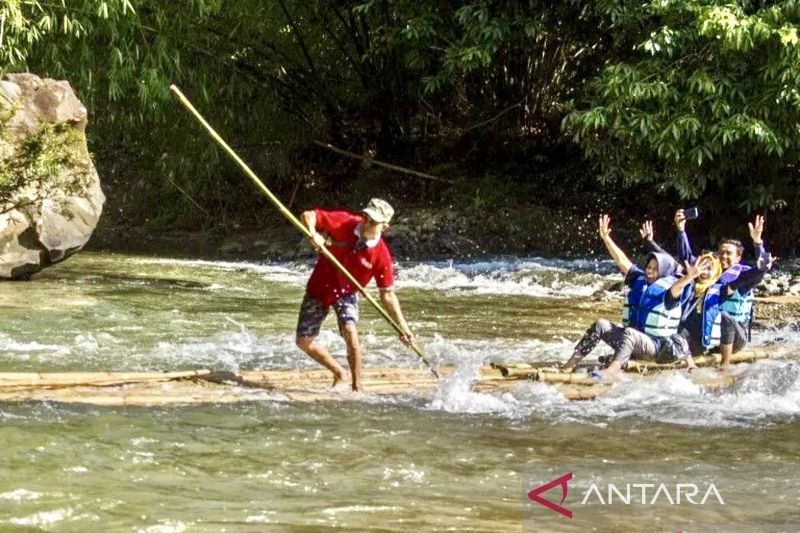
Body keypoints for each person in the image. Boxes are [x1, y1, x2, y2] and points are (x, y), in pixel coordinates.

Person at [296, 198, 413, 391]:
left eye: (373, 222)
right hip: (319, 287)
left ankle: (357, 388)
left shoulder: (381, 255)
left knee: (350, 331)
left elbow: (388, 295)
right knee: (303, 341)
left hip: (346, 292)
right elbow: (309, 215)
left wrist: (403, 327)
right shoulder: (345, 222)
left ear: (385, 227)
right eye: (365, 217)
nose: (366, 223)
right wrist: (313, 233)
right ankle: (339, 372)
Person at [561, 215, 692, 378]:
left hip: (655, 347)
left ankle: (611, 371)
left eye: (655, 268)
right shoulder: (639, 279)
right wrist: (606, 238)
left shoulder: (670, 292)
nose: (650, 270)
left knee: (630, 333)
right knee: (601, 324)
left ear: (664, 272)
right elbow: (621, 260)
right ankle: (569, 364)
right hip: (633, 342)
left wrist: (690, 277)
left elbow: (680, 285)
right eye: (648, 266)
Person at [673, 211, 772, 368]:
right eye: (721, 253)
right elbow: (686, 258)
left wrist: (758, 243)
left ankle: (725, 365)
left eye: (729, 253)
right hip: (713, 336)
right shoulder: (711, 271)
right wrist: (681, 230)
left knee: (725, 317)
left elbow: (758, 272)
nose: (723, 256)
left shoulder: (742, 276)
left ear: (738, 258)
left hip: (736, 336)